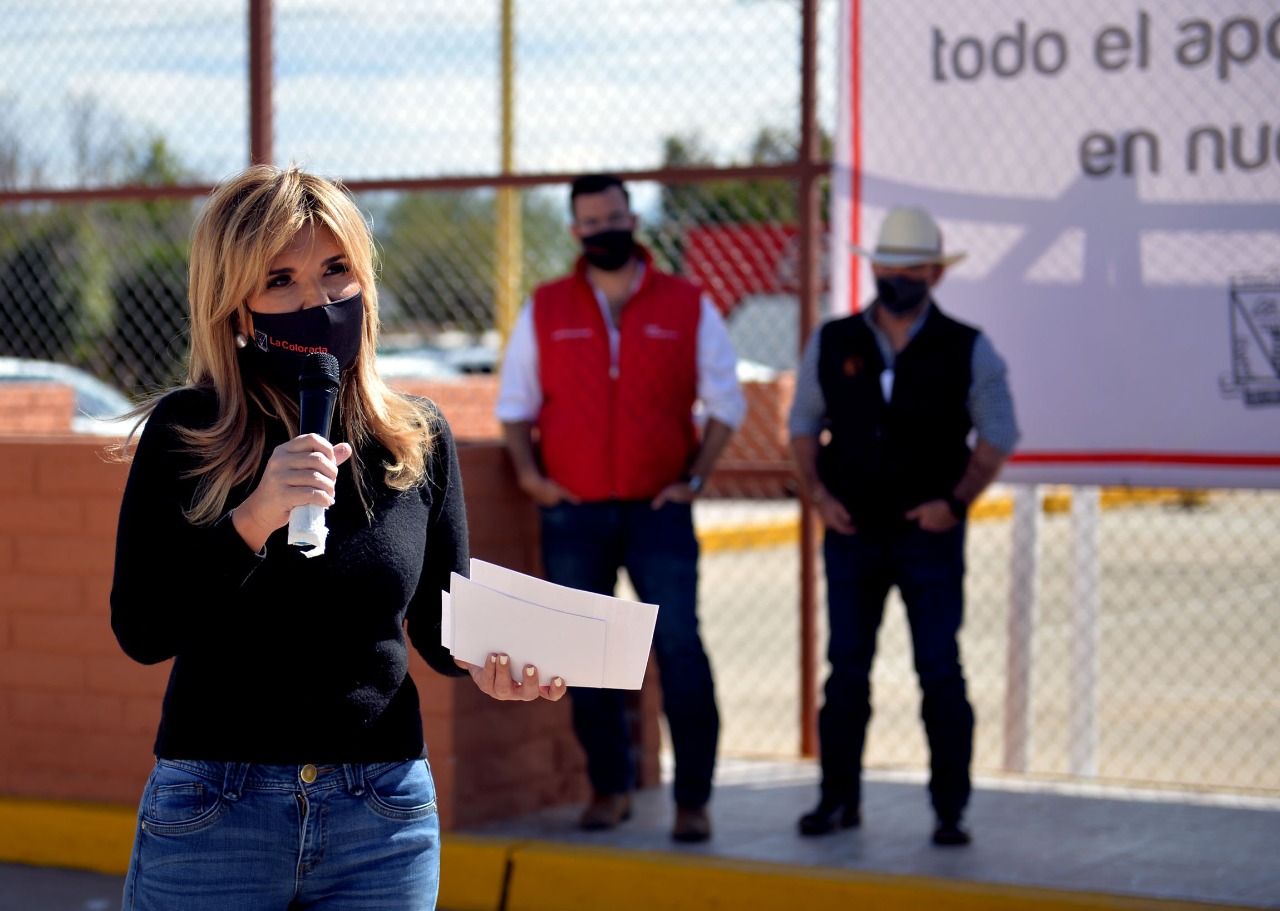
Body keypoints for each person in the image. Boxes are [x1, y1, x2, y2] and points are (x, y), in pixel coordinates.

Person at [110, 164, 565, 911]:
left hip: (380, 815)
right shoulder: (187, 434)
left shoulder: (415, 439)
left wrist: (499, 663)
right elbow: (142, 628)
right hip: (216, 810)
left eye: (335, 270)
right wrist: (255, 517)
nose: (316, 301)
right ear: (236, 306)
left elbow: (439, 630)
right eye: (279, 280)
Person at [495, 174, 746, 843]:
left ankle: (695, 799)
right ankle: (610, 788)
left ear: (633, 219)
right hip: (572, 511)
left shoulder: (687, 303)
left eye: (615, 216)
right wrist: (529, 475)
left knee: (680, 648)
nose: (605, 229)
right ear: (575, 231)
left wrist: (694, 478)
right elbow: (514, 406)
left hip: (658, 510)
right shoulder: (545, 308)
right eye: (591, 221)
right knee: (584, 656)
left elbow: (729, 403)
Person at [788, 205, 1019, 847]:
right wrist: (819, 497)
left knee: (939, 668)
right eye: (889, 266)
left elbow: (999, 431)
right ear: (874, 268)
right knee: (847, 669)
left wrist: (958, 500)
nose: (899, 278)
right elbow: (803, 424)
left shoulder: (968, 346)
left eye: (912, 268)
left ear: (935, 275)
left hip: (929, 538)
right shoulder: (834, 341)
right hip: (851, 533)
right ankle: (838, 801)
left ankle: (952, 810)